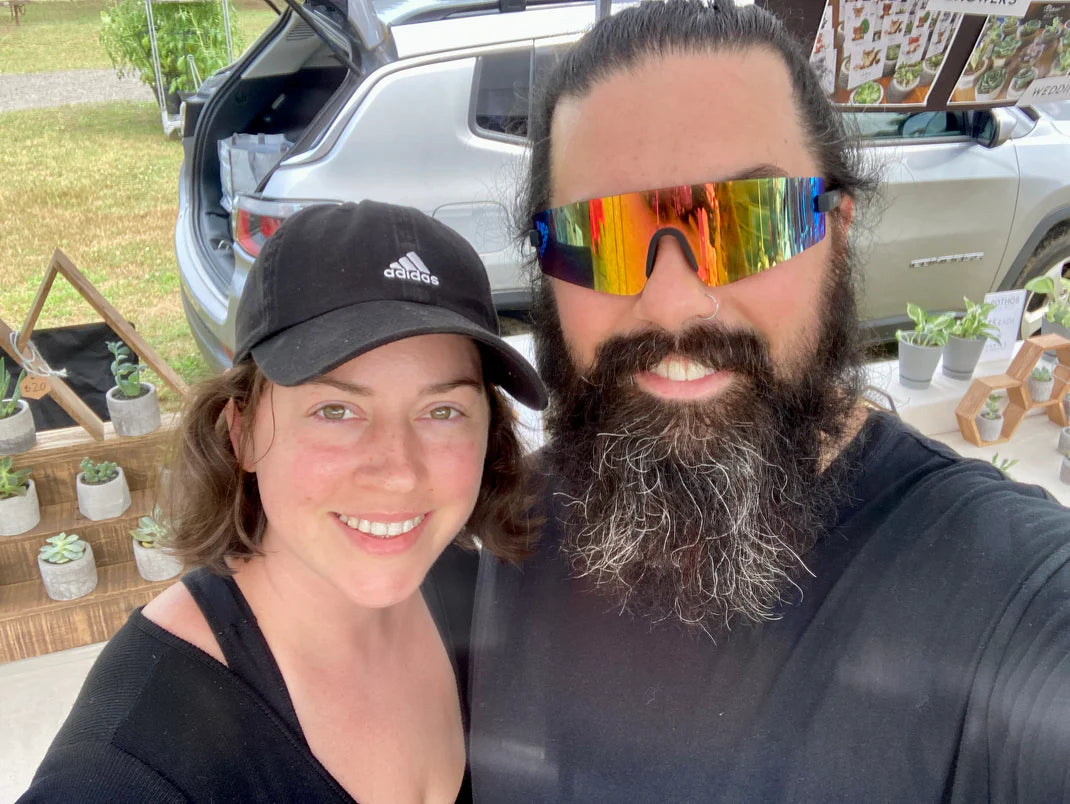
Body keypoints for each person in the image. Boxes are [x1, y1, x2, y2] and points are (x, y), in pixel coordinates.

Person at [469, 2, 1070, 800]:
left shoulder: (1008, 600)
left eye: (747, 223)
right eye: (599, 234)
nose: (674, 303)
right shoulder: (508, 522)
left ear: (837, 230)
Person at [21, 200, 546, 803]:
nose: (399, 472)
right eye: (336, 410)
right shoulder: (132, 764)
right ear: (240, 432)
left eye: (442, 411)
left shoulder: (474, 595)